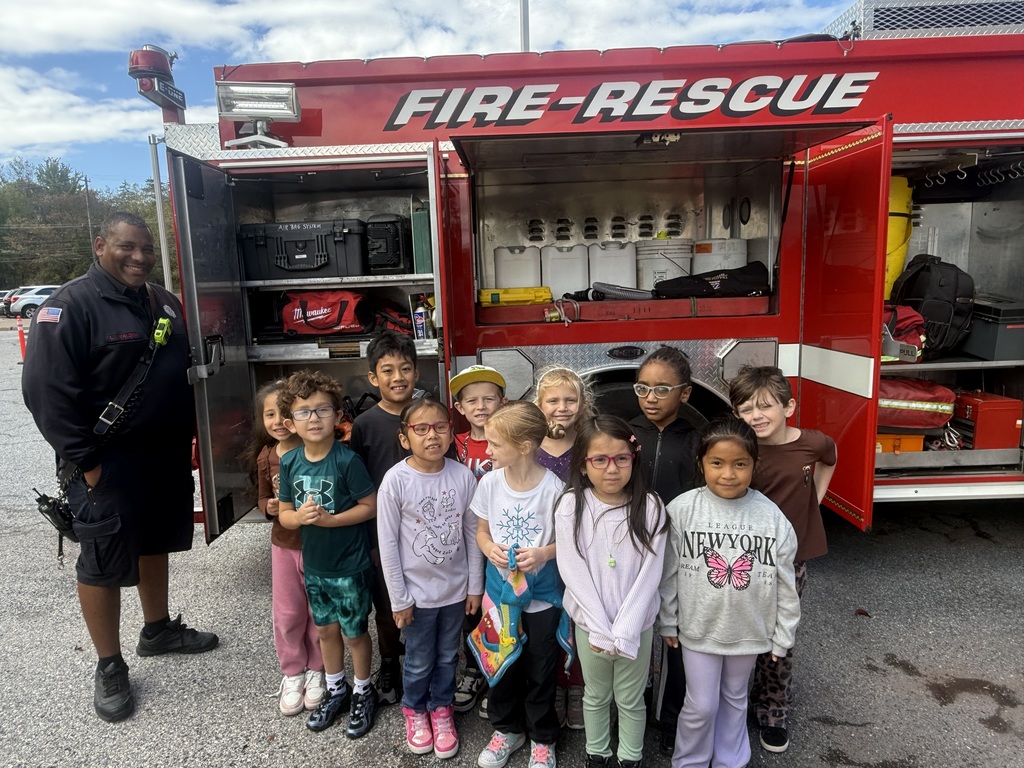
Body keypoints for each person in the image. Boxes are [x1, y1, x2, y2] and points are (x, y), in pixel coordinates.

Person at [22, 211, 218, 723]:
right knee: (104, 561)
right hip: (105, 464)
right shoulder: (69, 307)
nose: (139, 257)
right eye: (127, 247)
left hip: (163, 457)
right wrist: (87, 465)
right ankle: (109, 665)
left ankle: (157, 630)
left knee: (154, 542)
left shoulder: (163, 303)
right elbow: (46, 394)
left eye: (147, 250)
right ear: (100, 244)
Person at [658, 416, 800, 768]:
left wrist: (783, 636)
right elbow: (667, 573)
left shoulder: (772, 518)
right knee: (701, 703)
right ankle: (689, 760)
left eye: (740, 464)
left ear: (754, 464)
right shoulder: (682, 510)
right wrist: (668, 620)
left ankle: (730, 760)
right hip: (698, 629)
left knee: (735, 698)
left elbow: (786, 583)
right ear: (701, 463)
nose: (728, 474)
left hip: (749, 632)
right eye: (717, 463)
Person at [728, 365, 837, 754]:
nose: (755, 416)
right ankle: (737, 701)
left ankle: (773, 709)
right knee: (741, 632)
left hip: (791, 561)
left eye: (765, 406)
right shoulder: (741, 449)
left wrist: (815, 502)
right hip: (744, 559)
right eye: (745, 409)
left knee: (780, 638)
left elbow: (830, 456)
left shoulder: (811, 443)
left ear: (789, 406)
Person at [554, 415, 667, 768]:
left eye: (621, 458)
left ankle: (631, 756)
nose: (612, 469)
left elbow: (651, 575)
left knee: (632, 698)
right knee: (596, 694)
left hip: (637, 625)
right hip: (592, 625)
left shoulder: (650, 507)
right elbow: (572, 569)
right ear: (584, 466)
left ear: (633, 459)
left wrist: (626, 628)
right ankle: (597, 753)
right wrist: (601, 627)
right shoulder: (572, 505)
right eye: (599, 460)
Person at [376, 398, 484, 759]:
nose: (431, 435)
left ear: (451, 433)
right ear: (405, 438)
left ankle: (442, 709)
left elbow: (472, 534)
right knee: (420, 657)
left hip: (455, 592)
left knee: (447, 657)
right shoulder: (396, 481)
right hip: (416, 597)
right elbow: (388, 544)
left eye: (440, 427)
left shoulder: (462, 475)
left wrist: (474, 586)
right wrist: (399, 599)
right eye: (420, 429)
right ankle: (415, 710)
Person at [277, 369, 379, 739]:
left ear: (338, 417)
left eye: (323, 410)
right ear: (291, 422)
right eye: (304, 412)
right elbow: (285, 515)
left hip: (349, 565)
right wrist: (297, 517)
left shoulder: (346, 460)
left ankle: (363, 691)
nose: (314, 418)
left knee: (354, 634)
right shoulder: (289, 463)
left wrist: (332, 521)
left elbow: (370, 505)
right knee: (325, 630)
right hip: (315, 566)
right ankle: (337, 689)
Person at [471, 401, 567, 768]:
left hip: (541, 596)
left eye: (494, 444)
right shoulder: (490, 483)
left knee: (542, 668)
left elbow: (568, 543)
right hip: (500, 595)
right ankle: (507, 729)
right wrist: (489, 547)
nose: (488, 450)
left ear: (525, 446)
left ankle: (543, 736)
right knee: (501, 663)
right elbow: (481, 531)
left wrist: (543, 554)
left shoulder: (554, 489)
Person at [628, 345, 700, 751]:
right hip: (629, 552)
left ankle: (672, 720)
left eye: (662, 389)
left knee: (674, 637)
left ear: (684, 394)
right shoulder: (626, 432)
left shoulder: (696, 440)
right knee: (633, 633)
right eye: (643, 388)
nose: (650, 398)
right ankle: (632, 710)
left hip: (677, 553)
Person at [240, 379, 325, 716]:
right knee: (288, 612)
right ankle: (293, 672)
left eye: (284, 412)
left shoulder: (315, 450)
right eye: (269, 414)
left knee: (319, 612)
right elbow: (261, 496)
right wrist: (268, 508)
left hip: (319, 544)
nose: (277, 421)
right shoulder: (266, 456)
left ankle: (318, 669)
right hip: (284, 545)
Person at [349, 329, 419, 705]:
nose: (398, 378)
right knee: (387, 601)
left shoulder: (428, 414)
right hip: (381, 533)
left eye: (405, 368)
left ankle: (428, 657)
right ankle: (390, 659)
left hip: (426, 528)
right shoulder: (365, 425)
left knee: (430, 598)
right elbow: (359, 479)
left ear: (417, 372)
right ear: (374, 378)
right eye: (387, 371)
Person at [533, 365, 594, 729]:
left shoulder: (589, 443)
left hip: (582, 548)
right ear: (538, 404)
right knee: (547, 619)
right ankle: (554, 683)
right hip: (540, 549)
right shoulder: (529, 445)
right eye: (553, 400)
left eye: (570, 400)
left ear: (583, 403)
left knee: (578, 617)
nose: (562, 407)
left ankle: (577, 685)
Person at [449, 364, 508, 717]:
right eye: (472, 400)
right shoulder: (453, 445)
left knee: (500, 607)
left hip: (501, 538)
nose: (481, 406)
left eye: (489, 398)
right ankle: (474, 669)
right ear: (460, 407)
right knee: (471, 607)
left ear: (503, 401)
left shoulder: (511, 444)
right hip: (463, 542)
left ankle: (499, 670)